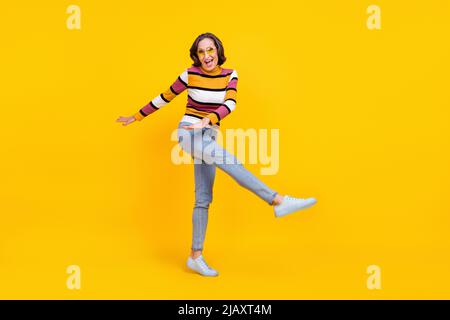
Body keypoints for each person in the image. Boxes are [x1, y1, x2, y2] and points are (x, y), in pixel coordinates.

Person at [116, 32, 317, 277]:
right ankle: (277, 200)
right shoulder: (189, 74)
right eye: (201, 52)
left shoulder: (230, 75)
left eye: (210, 50)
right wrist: (135, 117)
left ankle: (195, 256)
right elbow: (164, 97)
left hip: (208, 134)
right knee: (230, 161)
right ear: (196, 55)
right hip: (189, 133)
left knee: (203, 197)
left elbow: (230, 104)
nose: (206, 56)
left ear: (218, 51)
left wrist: (209, 120)